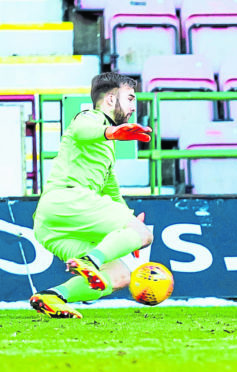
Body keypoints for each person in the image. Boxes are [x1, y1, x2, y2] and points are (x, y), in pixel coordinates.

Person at [30, 72, 153, 318]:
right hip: (69, 200)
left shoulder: (107, 144)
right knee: (145, 236)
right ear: (110, 99)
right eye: (129, 99)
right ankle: (92, 259)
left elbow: (110, 189)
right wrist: (112, 133)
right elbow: (85, 129)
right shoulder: (89, 117)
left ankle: (53, 296)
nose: (132, 107)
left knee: (118, 277)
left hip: (50, 225)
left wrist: (130, 224)